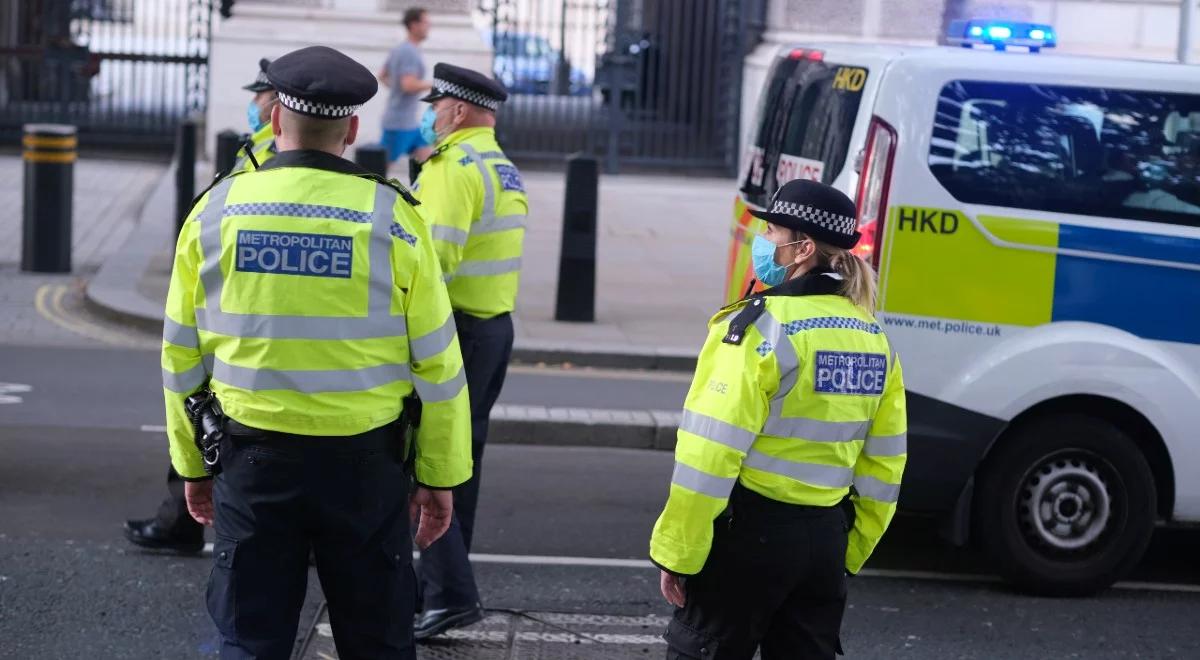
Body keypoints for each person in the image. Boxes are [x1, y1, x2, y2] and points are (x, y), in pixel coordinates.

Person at [160, 45, 472, 659]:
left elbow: (179, 355)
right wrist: (439, 477)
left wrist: (190, 464)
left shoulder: (215, 211)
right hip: (364, 468)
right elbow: (438, 365)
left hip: (251, 460)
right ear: (353, 129)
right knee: (377, 640)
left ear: (276, 119)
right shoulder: (397, 219)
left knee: (248, 639)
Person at [649, 179, 907, 660]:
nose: (762, 242)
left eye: (771, 231)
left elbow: (710, 455)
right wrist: (849, 552)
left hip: (750, 537)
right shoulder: (874, 337)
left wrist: (679, 551)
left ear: (802, 248)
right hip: (826, 541)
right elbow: (885, 466)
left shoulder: (759, 328)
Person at [122, 56, 280, 556]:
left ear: (278, 105)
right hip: (226, 309)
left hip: (241, 317)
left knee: (206, 415)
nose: (252, 104)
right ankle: (183, 519)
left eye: (260, 96)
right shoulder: (253, 149)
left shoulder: (273, 155)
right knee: (202, 415)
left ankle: (186, 521)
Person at [410, 62, 528, 640]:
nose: (431, 116)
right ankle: (435, 586)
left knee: (426, 461)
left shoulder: (452, 167)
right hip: (492, 330)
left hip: (453, 331)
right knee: (461, 464)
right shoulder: (501, 167)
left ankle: (450, 592)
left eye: (436, 107)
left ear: (458, 111)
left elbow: (431, 264)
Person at [379, 7, 434, 165]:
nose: (429, 26)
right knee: (380, 172)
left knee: (429, 161)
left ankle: (426, 190)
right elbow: (408, 85)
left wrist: (396, 88)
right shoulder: (409, 51)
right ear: (413, 25)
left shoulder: (401, 49)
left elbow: (383, 75)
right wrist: (434, 86)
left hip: (408, 122)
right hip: (399, 123)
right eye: (426, 22)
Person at [232, 57, 279, 172]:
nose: (253, 101)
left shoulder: (273, 150)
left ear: (276, 102)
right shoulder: (259, 142)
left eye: (259, 96)